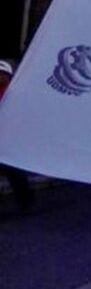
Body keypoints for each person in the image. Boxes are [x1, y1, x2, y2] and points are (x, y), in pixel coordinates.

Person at [0, 60, 35, 212]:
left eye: (2, 74)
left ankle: (26, 204)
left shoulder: (15, 93)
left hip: (10, 142)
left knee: (15, 174)